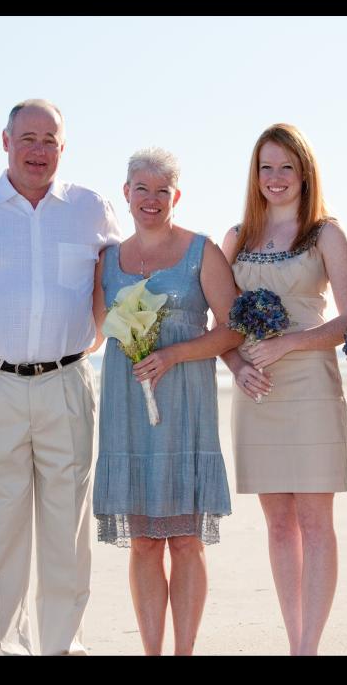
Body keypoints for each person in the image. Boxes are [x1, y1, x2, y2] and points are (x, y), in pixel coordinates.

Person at [0, 99, 121, 655]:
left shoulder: (91, 208)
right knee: (0, 530)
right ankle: (9, 647)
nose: (39, 150)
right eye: (27, 138)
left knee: (68, 526)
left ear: (65, 147)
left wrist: (96, 339)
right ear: (4, 141)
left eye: (50, 140)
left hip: (68, 381)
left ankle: (63, 645)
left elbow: (114, 287)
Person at [220, 124, 347, 655]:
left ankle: (309, 648)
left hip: (310, 390)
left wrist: (291, 344)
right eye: (266, 168)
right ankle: (292, 642)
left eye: (286, 167)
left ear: (304, 173)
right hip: (256, 391)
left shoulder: (325, 233)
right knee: (279, 525)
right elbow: (219, 320)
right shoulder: (236, 238)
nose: (275, 178)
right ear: (254, 176)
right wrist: (236, 364)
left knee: (314, 521)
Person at [91, 148, 240, 655]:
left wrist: (175, 353)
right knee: (143, 542)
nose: (151, 199)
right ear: (126, 194)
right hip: (127, 410)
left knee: (185, 540)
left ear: (176, 196)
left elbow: (233, 329)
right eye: (142, 189)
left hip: (185, 409)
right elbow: (95, 331)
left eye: (162, 190)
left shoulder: (203, 250)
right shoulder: (108, 260)